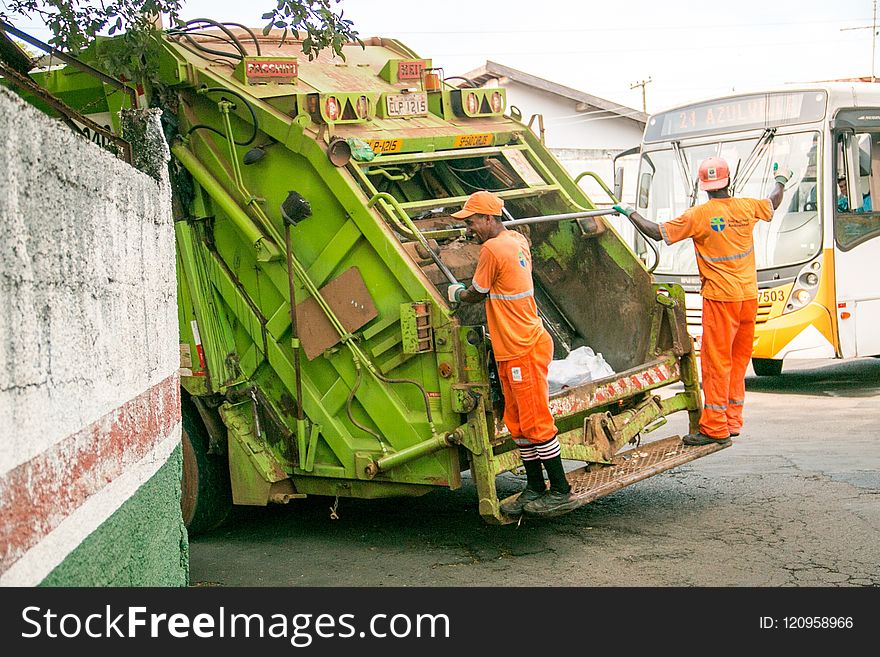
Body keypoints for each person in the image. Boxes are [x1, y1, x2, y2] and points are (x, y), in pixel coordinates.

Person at [613, 157, 788, 446]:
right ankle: (732, 420)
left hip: (721, 299)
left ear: (703, 186)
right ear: (728, 181)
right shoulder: (747, 207)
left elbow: (657, 232)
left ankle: (715, 429)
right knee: (737, 361)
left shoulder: (700, 215)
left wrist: (630, 212)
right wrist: (781, 178)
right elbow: (773, 200)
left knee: (716, 363)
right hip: (748, 298)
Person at [446, 190, 575, 517]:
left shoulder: (492, 248)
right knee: (517, 422)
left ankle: (560, 490)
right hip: (514, 347)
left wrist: (458, 293)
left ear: (489, 219)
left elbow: (477, 294)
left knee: (536, 422)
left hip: (522, 348)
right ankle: (534, 487)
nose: (470, 227)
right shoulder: (516, 239)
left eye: (473, 220)